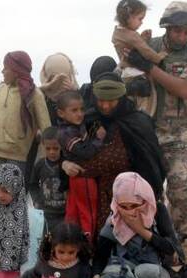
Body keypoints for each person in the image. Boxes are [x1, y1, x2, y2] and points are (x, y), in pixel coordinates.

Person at [126, 1, 187, 276]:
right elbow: (123, 73)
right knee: (145, 194)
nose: (180, 36)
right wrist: (132, 79)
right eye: (176, 30)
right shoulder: (149, 46)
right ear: (167, 28)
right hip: (147, 130)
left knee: (183, 190)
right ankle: (150, 253)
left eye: (186, 32)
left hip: (180, 131)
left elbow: (185, 89)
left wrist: (149, 69)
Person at [61, 74, 166, 243]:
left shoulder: (138, 122)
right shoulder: (89, 119)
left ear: (122, 97)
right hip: (97, 195)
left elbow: (142, 161)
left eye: (111, 100)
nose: (105, 105)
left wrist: (80, 167)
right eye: (101, 100)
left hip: (132, 199)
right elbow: (68, 147)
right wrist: (65, 163)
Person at [0, 51, 51, 199]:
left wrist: (48, 159)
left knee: (12, 198)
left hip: (17, 158)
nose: (2, 71)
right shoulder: (1, 90)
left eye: (6, 68)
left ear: (17, 71)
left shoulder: (34, 95)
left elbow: (46, 128)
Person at [56, 89, 105, 240]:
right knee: (88, 213)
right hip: (83, 177)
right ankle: (88, 247)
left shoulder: (75, 126)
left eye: (81, 109)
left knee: (74, 214)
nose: (80, 114)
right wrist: (99, 139)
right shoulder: (66, 133)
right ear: (61, 113)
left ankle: (71, 244)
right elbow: (87, 152)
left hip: (77, 179)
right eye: (74, 110)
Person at [111, 0, 166, 115]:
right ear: (128, 17)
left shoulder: (117, 33)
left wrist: (142, 39)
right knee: (148, 106)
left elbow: (130, 48)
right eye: (140, 18)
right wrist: (159, 58)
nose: (142, 22)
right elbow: (146, 51)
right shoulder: (132, 35)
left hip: (126, 73)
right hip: (138, 73)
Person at [29, 126, 67, 233]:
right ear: (43, 146)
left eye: (55, 148)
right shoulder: (40, 165)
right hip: (45, 212)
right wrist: (37, 200)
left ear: (62, 146)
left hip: (63, 213)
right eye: (48, 148)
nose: (52, 152)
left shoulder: (66, 165)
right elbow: (32, 184)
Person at [39, 52, 79, 123]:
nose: (58, 80)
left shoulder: (81, 96)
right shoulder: (39, 97)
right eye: (53, 77)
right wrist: (42, 89)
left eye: (64, 76)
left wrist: (73, 94)